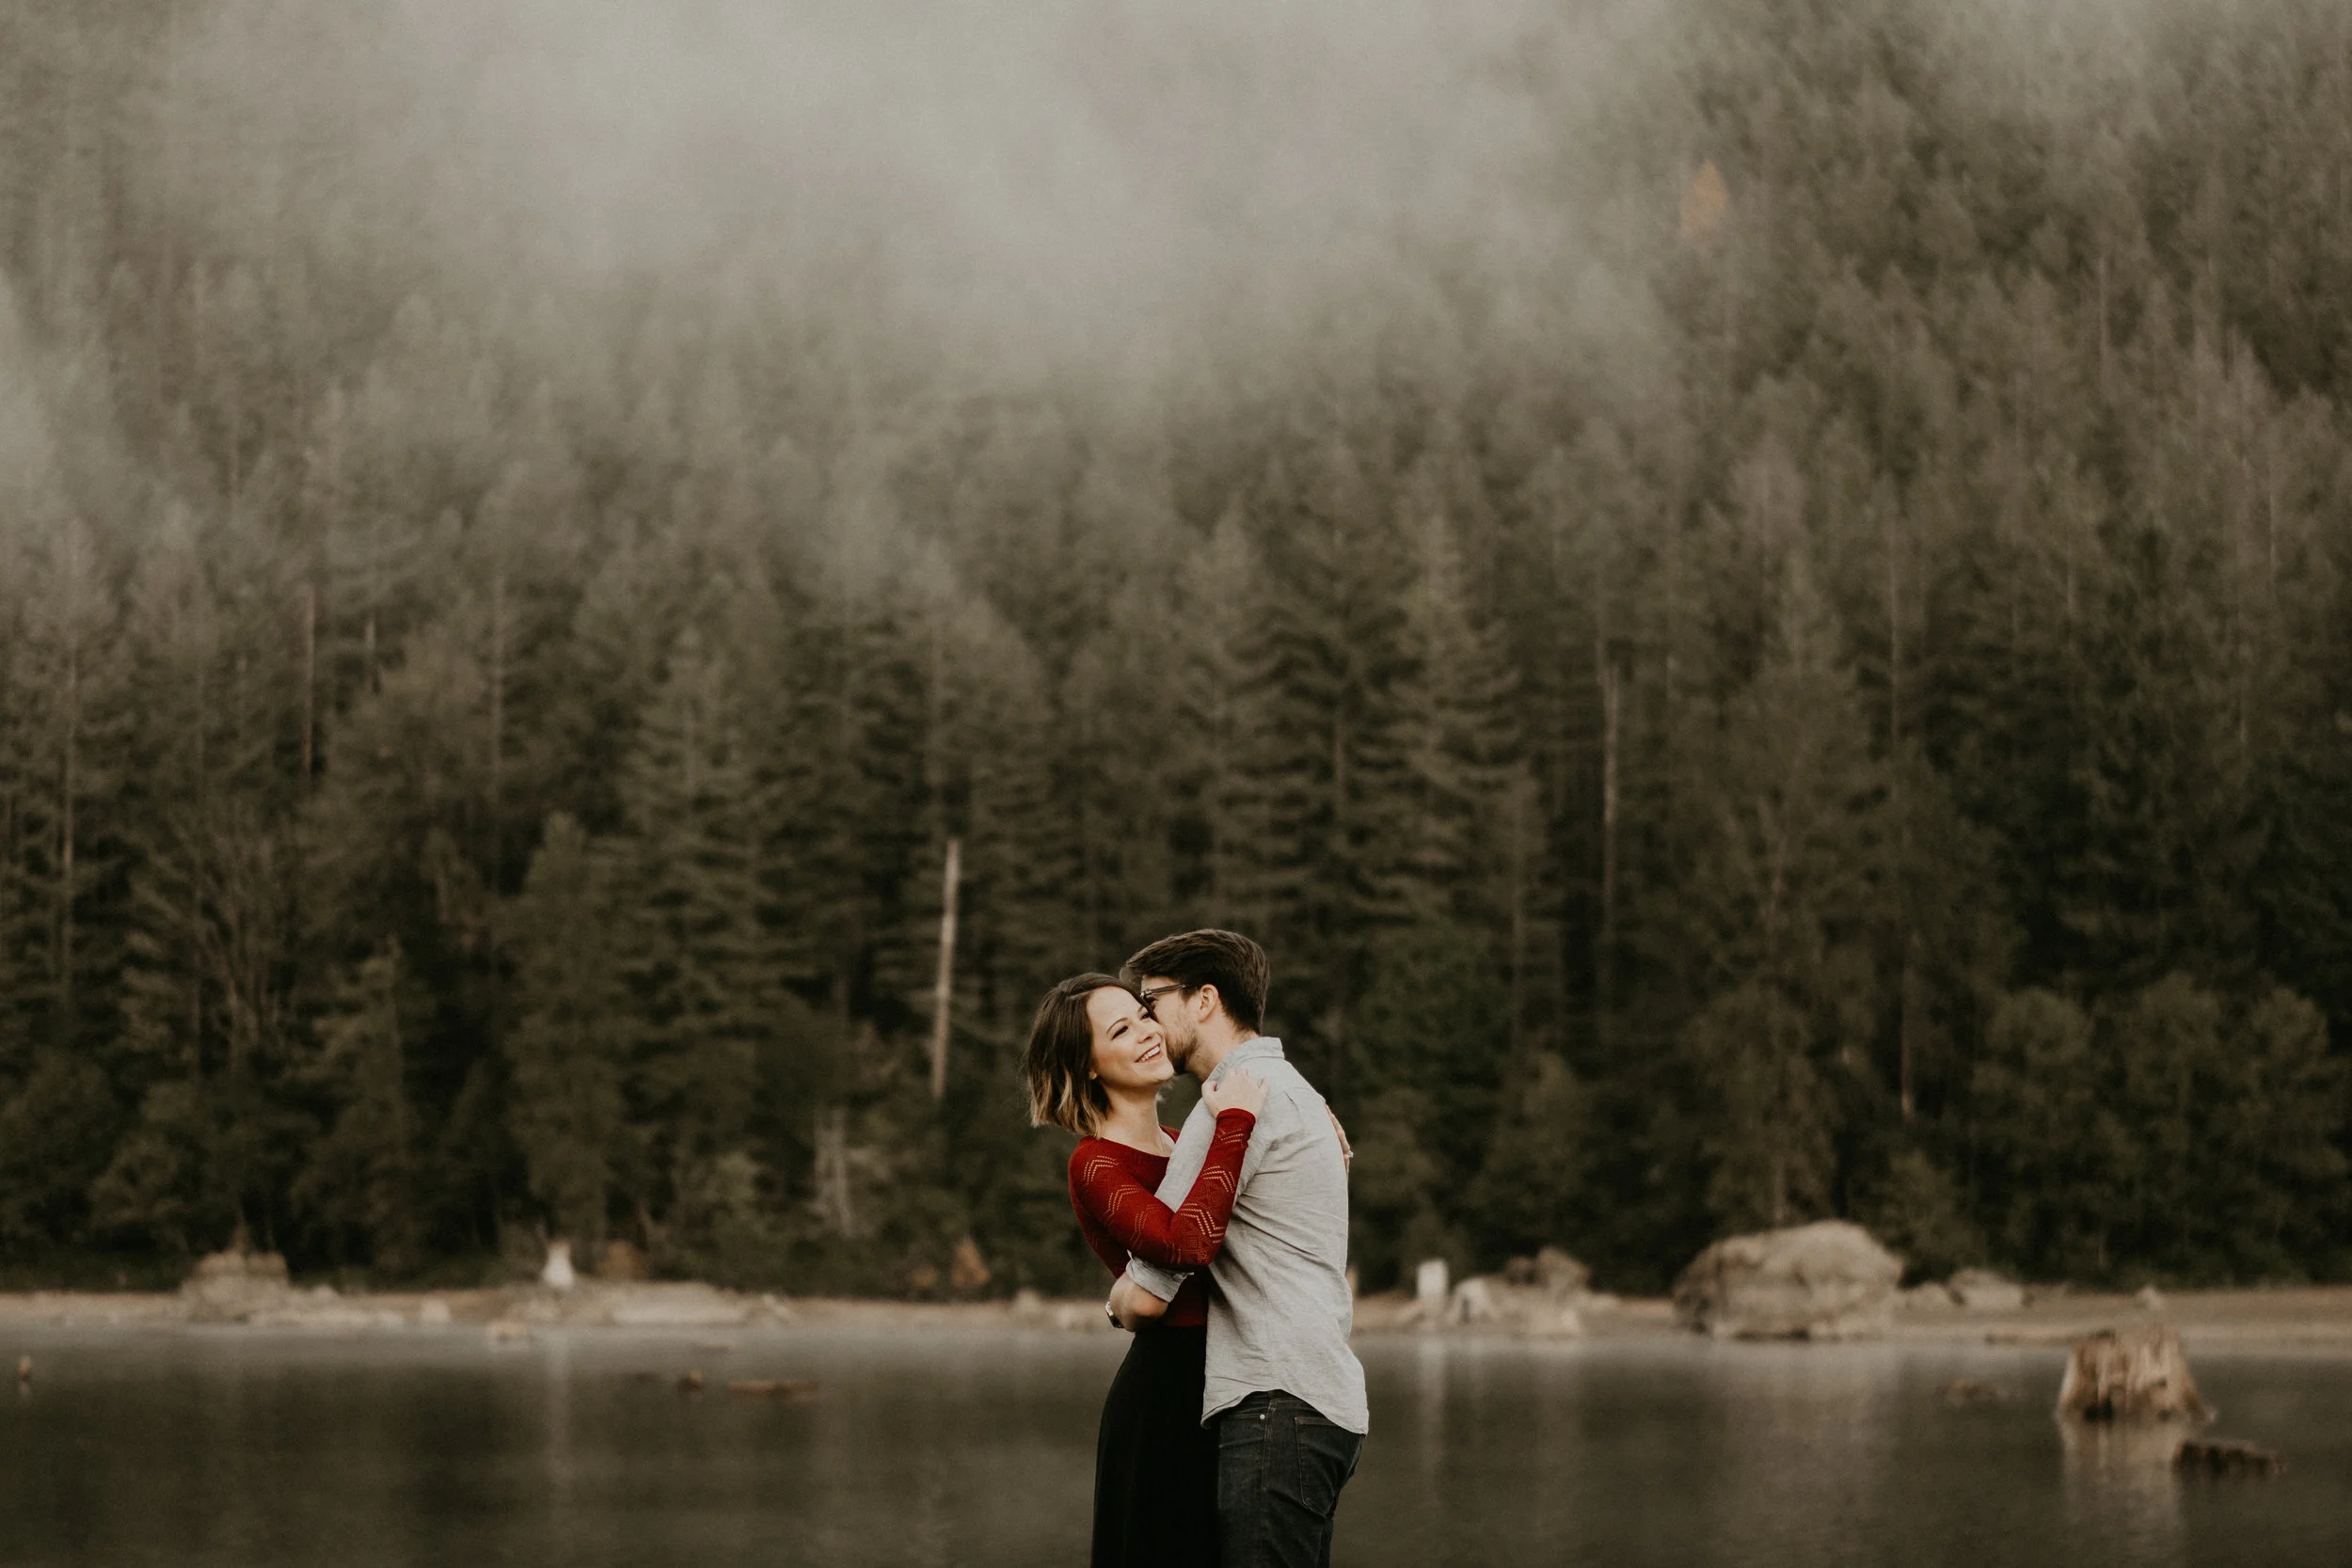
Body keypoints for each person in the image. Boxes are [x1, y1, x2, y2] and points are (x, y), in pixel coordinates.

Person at [1110, 929, 1366, 1568]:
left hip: (1274, 1405)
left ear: (1203, 1000)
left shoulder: (1230, 1106)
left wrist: (1113, 1302)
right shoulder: (1294, 1090)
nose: (1146, 1022)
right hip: (1316, 1400)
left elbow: (1148, 1295)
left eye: (1151, 1002)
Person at [1025, 972, 1270, 1568]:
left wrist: (1314, 1128)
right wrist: (1237, 1124)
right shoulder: (1096, 1162)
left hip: (1234, 1384)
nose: (1146, 1033)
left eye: (1142, 1015)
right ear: (1087, 1065)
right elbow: (1185, 1246)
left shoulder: (1186, 1140)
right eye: (1120, 1030)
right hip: (1165, 1399)